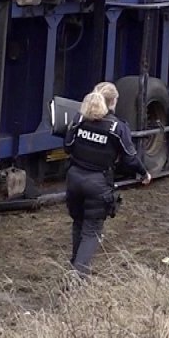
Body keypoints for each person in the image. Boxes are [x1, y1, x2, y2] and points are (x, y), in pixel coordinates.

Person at [63, 84, 151, 275]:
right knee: (92, 230)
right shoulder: (117, 127)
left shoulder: (79, 119)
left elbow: (67, 147)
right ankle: (78, 276)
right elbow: (130, 158)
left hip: (74, 179)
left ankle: (75, 266)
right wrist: (144, 174)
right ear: (113, 102)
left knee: (78, 223)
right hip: (98, 183)